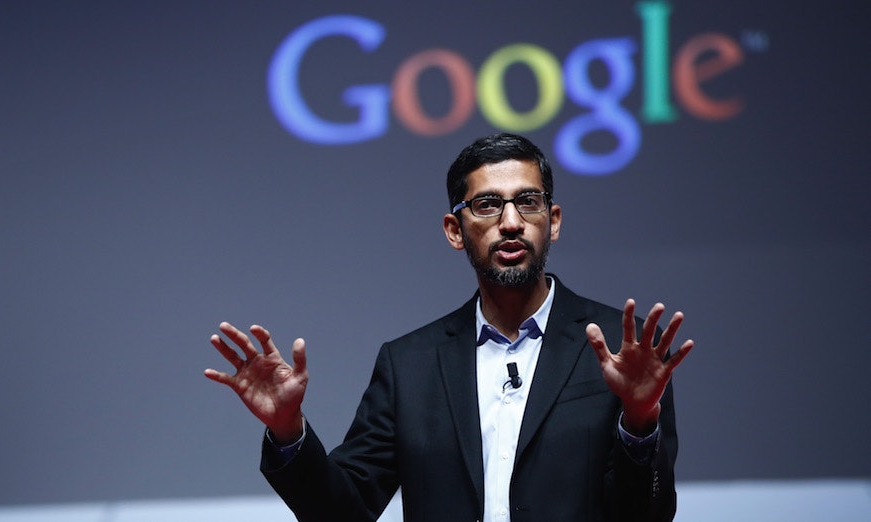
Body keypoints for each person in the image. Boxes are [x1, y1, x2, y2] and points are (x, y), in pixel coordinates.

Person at [204, 133, 694, 522]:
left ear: (554, 220)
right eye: (486, 205)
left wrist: (639, 420)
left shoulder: (621, 351)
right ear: (454, 231)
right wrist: (288, 429)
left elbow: (647, 516)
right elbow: (342, 512)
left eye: (528, 202)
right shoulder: (410, 365)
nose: (510, 222)